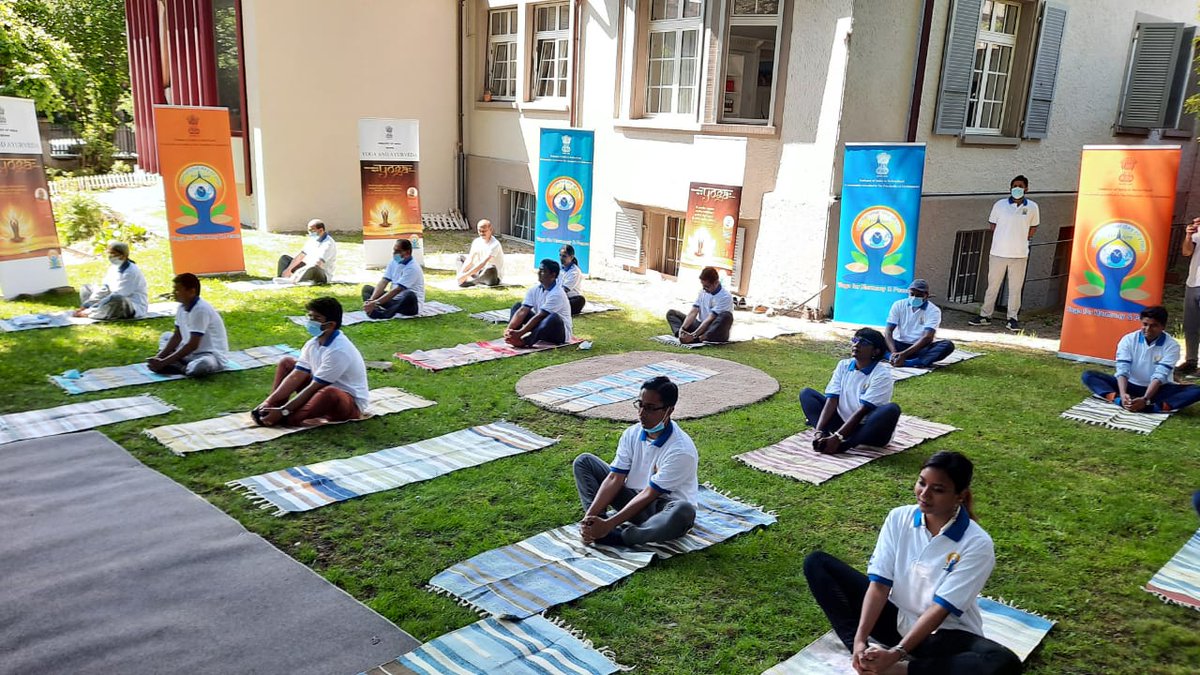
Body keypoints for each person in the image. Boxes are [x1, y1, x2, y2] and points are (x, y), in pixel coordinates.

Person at [803, 452, 1022, 675]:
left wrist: (896, 655)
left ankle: (901, 670)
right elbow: (879, 586)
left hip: (942, 635)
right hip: (897, 619)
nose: (924, 494)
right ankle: (863, 660)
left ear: (960, 496)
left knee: (1002, 662)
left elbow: (940, 610)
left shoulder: (977, 543)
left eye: (938, 489)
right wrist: (860, 641)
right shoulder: (899, 518)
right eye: (921, 483)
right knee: (818, 563)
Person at [572, 375, 698, 547]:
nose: (641, 413)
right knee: (584, 462)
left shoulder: (681, 450)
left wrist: (611, 524)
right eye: (640, 404)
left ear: (669, 410)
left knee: (684, 511)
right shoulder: (632, 433)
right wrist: (590, 518)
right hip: (633, 497)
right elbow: (614, 478)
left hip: (662, 508)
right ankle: (595, 526)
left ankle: (619, 537)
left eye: (650, 408)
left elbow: (650, 494)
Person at [252, 297, 369, 427]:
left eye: (317, 318)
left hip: (346, 402)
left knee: (329, 393)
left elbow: (315, 387)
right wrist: (269, 402)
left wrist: (284, 411)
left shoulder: (339, 350)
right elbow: (296, 375)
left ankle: (287, 417)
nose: (311, 322)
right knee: (287, 363)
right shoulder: (313, 343)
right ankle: (270, 409)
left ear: (331, 325)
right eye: (310, 317)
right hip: (320, 389)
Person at [799, 328, 901, 454]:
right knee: (807, 394)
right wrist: (818, 432)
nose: (856, 345)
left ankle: (844, 446)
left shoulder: (882, 375)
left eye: (863, 343)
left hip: (869, 431)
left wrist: (838, 438)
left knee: (891, 409)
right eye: (855, 340)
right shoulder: (843, 365)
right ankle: (824, 438)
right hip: (842, 423)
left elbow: (863, 411)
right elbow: (832, 400)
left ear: (876, 351)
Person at [1081, 305, 1200, 413]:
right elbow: (1123, 370)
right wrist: (1122, 395)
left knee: (1196, 390)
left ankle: (1152, 408)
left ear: (1163, 327)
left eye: (1154, 326)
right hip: (1130, 384)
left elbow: (1160, 376)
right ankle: (1118, 400)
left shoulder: (1172, 346)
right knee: (1089, 375)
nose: (1148, 329)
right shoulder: (1128, 340)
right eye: (1145, 324)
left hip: (1158, 389)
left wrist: (1145, 399)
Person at [970, 175, 1039, 332]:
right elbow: (992, 224)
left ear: (1026, 188)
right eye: (1014, 185)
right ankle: (985, 316)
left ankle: (1012, 318)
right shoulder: (1000, 205)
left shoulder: (1033, 207)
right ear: (1010, 187)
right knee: (993, 286)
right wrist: (1004, 237)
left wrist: (1022, 238)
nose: (1017, 188)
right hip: (998, 253)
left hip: (1019, 254)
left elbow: (1034, 227)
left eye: (1020, 185)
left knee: (1015, 288)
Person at [148, 273, 227, 377]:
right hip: (189, 353)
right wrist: (159, 357)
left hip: (208, 354)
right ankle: (177, 363)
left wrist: (164, 362)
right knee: (166, 336)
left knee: (204, 364)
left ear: (191, 292)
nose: (173, 293)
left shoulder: (201, 310)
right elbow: (177, 336)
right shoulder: (181, 307)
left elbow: (193, 345)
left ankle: (181, 367)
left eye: (177, 290)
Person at [884, 279, 956, 368]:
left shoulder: (933, 310)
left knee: (947, 345)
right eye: (912, 294)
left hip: (919, 348)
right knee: (870, 337)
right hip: (897, 344)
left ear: (926, 296)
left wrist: (904, 354)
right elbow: (888, 331)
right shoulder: (898, 305)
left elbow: (928, 337)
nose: (914, 297)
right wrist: (894, 352)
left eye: (919, 295)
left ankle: (908, 362)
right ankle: (893, 357)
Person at [505, 258, 572, 347]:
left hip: (558, 333)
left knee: (553, 317)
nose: (539, 273)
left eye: (543, 271)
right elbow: (523, 310)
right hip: (542, 327)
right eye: (539, 270)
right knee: (517, 306)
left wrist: (521, 333)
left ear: (553, 275)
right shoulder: (534, 289)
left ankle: (526, 342)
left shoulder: (558, 293)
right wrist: (509, 330)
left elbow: (540, 316)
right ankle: (512, 336)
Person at [74, 241, 149, 320]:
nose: (110, 256)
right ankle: (96, 311)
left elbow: (119, 294)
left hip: (130, 306)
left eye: (113, 254)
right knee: (86, 288)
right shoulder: (114, 267)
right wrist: (87, 305)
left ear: (123, 256)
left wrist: (91, 310)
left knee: (116, 298)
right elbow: (105, 288)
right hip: (109, 299)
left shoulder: (131, 272)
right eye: (109, 253)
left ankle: (95, 313)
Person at [666, 266, 733, 344]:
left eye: (707, 286)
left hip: (714, 330)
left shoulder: (725, 296)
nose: (704, 289)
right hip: (700, 325)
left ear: (716, 283)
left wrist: (694, 335)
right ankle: (682, 336)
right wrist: (682, 329)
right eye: (703, 286)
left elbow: (710, 319)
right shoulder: (703, 292)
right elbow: (693, 312)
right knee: (672, 313)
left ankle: (698, 339)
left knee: (726, 316)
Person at [361, 238, 424, 318]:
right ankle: (374, 309)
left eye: (398, 251)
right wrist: (372, 300)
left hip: (409, 304)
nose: (394, 253)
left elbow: (397, 290)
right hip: (394, 300)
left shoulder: (412, 268)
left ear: (407, 252)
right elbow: (384, 281)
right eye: (394, 251)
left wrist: (376, 302)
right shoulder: (393, 261)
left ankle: (383, 314)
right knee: (367, 289)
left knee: (409, 295)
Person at [277, 219, 337, 284]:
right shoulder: (312, 240)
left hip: (320, 273)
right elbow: (300, 256)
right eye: (309, 230)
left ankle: (293, 280)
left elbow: (318, 263)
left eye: (312, 230)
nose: (310, 233)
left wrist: (298, 272)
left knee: (313, 267)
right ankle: (283, 278)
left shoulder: (328, 244)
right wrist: (288, 270)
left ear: (321, 230)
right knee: (284, 258)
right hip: (306, 268)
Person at [456, 219, 504, 287]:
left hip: (491, 276)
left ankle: (472, 282)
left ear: (490, 230)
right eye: (479, 231)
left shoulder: (495, 244)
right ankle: (463, 280)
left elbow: (483, 263)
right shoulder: (476, 242)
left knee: (491, 268)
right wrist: (462, 274)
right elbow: (470, 259)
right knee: (460, 258)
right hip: (478, 272)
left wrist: (466, 275)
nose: (481, 233)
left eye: (484, 231)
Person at [1179, 217, 1199, 374]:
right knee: (1190, 324)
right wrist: (1188, 235)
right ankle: (1191, 360)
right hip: (1193, 282)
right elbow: (1186, 252)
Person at [560, 244, 586, 315]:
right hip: (560, 297)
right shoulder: (560, 269)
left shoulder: (575, 272)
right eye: (560, 255)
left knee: (580, 300)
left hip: (570, 298)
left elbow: (564, 290)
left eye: (564, 256)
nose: (561, 258)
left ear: (571, 257)